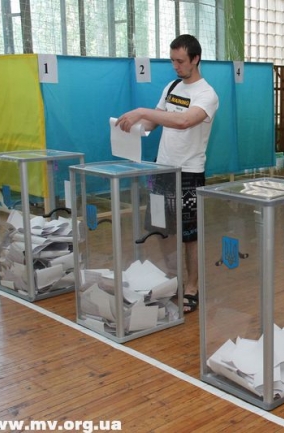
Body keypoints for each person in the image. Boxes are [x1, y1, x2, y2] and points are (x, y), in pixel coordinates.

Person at [116, 34, 219, 312]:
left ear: (195, 59)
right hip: (161, 169)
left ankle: (192, 286)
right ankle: (174, 279)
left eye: (180, 61)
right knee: (163, 230)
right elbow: (155, 121)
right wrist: (133, 126)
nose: (175, 66)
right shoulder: (172, 86)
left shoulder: (207, 94)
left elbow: (184, 121)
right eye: (172, 60)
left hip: (188, 173)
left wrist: (142, 111)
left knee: (190, 234)